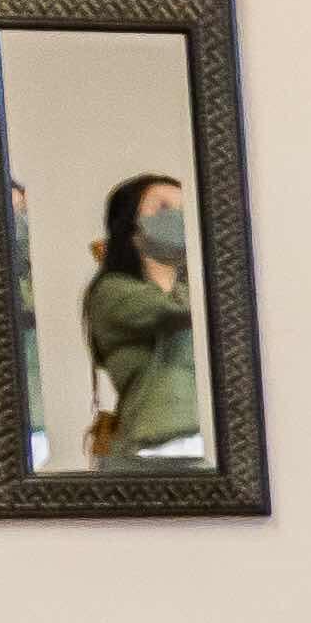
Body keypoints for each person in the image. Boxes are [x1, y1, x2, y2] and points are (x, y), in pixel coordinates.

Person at [80, 175, 208, 459]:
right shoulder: (112, 291)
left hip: (203, 440)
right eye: (162, 208)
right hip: (160, 441)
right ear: (131, 225)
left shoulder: (188, 287)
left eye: (184, 209)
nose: (178, 217)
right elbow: (175, 309)